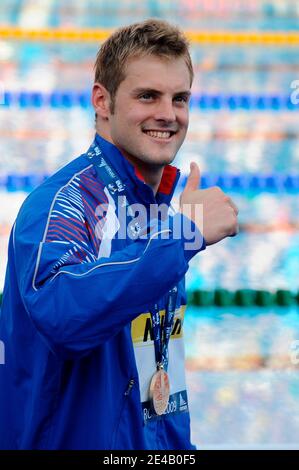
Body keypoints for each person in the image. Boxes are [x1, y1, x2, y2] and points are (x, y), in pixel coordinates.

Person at [0, 19, 238, 450]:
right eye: (147, 96)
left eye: (179, 98)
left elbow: (156, 381)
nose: (168, 113)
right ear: (102, 101)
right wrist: (184, 238)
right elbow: (60, 316)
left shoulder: (160, 215)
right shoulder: (65, 204)